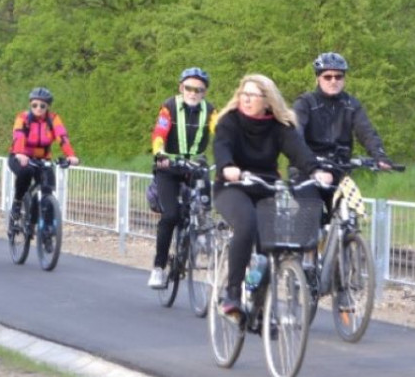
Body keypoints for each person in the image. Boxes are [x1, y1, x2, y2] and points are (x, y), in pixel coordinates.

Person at [213, 74, 327, 316]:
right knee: (247, 224)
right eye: (244, 94)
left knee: (272, 243)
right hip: (233, 187)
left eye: (253, 95)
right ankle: (232, 293)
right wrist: (227, 167)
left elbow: (299, 152)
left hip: (266, 187)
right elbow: (222, 146)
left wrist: (315, 170)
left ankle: (261, 307)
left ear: (267, 100)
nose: (246, 99)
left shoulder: (279, 127)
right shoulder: (229, 122)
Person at [293, 52, 393, 218]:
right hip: (308, 171)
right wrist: (309, 163)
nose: (333, 81)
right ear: (318, 78)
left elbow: (366, 131)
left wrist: (379, 155)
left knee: (349, 216)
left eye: (339, 77)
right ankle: (311, 243)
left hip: (337, 171)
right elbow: (295, 134)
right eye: (328, 77)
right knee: (310, 217)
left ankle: (346, 241)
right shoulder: (305, 103)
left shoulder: (351, 104)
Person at [147, 67, 217, 289]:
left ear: (204, 92)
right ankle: (158, 268)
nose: (193, 93)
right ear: (181, 88)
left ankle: (202, 230)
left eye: (199, 89)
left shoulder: (210, 110)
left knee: (205, 197)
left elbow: (222, 132)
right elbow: (159, 133)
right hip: (169, 167)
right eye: (189, 88)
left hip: (194, 166)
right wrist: (160, 153)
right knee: (170, 216)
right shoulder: (169, 107)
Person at [6, 87, 78, 230]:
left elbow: (62, 137)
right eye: (34, 105)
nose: (38, 108)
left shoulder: (53, 119)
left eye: (42, 106)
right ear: (30, 105)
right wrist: (20, 153)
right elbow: (18, 134)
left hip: (40, 160)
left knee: (47, 188)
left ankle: (47, 229)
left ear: (47, 107)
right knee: (26, 172)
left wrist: (70, 155)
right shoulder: (23, 118)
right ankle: (17, 202)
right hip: (19, 157)